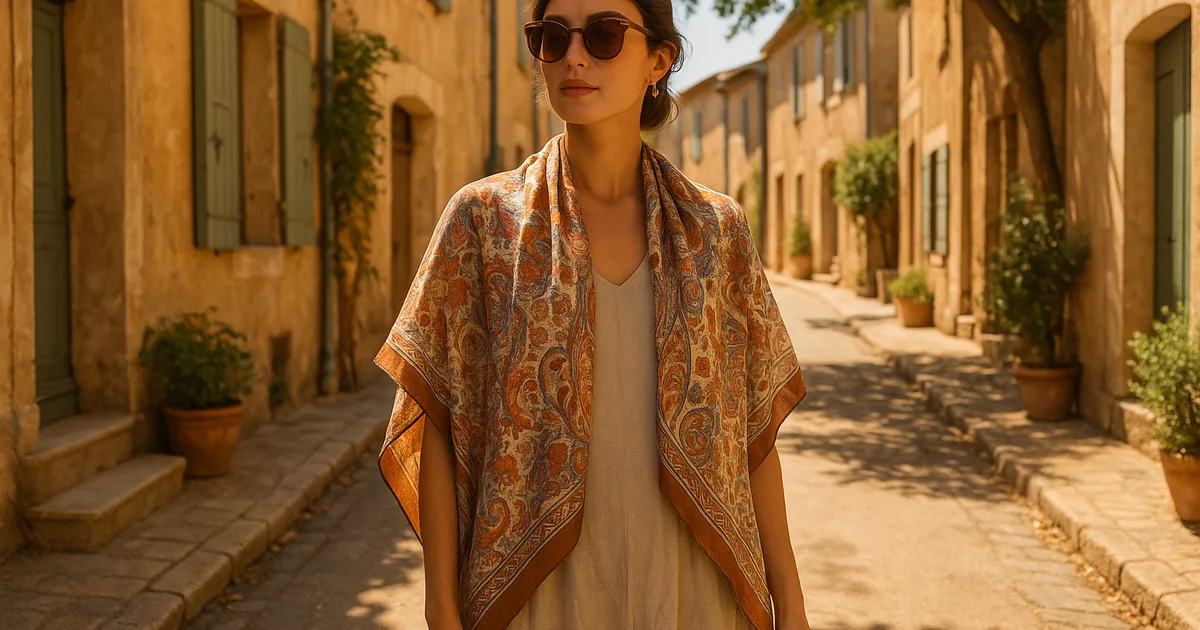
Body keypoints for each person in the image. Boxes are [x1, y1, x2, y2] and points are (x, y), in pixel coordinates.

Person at [375, 0, 812, 627]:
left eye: (604, 35)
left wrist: (790, 605)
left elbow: (753, 437)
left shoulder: (715, 232)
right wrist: (439, 606)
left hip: (693, 593)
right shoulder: (483, 223)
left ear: (658, 61)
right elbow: (439, 421)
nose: (574, 56)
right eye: (553, 37)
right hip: (537, 597)